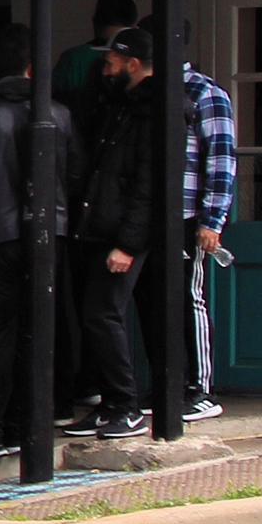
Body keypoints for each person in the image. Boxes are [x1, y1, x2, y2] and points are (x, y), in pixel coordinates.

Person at [0, 28, 84, 456]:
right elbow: (75, 176)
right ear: (33, 66)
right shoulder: (59, 114)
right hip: (51, 233)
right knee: (40, 329)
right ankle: (29, 425)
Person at [68, 28, 165, 440]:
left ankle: (124, 405)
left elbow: (150, 183)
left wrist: (128, 243)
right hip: (104, 226)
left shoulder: (154, 111)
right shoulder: (123, 105)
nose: (104, 68)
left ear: (134, 63)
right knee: (97, 314)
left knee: (103, 313)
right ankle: (112, 404)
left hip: (122, 233)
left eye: (111, 62)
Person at [173, 52, 239, 423]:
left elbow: (221, 158)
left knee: (189, 296)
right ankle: (172, 383)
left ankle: (200, 388)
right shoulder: (152, 91)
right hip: (156, 215)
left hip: (188, 214)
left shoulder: (205, 93)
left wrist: (212, 219)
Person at [55, 0, 139, 130]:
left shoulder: (73, 59)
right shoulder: (139, 60)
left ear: (94, 21)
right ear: (134, 25)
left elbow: (55, 106)